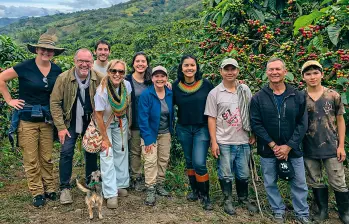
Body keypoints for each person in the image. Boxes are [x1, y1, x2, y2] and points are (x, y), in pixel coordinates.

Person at [0, 32, 64, 207]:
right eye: (43, 49)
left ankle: (50, 187)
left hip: (47, 120)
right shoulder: (24, 67)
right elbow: (1, 78)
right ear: (37, 49)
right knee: (31, 158)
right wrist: (9, 100)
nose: (46, 52)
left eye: (50, 50)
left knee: (47, 157)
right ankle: (37, 192)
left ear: (53, 53)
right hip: (27, 120)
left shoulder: (57, 70)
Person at [250, 58, 311, 224]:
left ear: (285, 72)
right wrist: (273, 145)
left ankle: (302, 213)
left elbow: (302, 123)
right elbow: (256, 123)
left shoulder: (297, 96)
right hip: (268, 149)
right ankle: (278, 210)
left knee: (299, 182)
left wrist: (289, 146)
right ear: (266, 73)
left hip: (293, 148)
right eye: (271, 70)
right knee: (270, 182)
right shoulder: (258, 98)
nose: (274, 72)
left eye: (278, 69)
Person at [204, 58, 257, 215]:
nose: (230, 72)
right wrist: (214, 142)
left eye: (232, 69)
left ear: (237, 71)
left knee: (243, 173)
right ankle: (227, 200)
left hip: (243, 139)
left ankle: (243, 198)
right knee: (225, 172)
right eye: (226, 69)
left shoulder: (245, 90)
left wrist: (252, 132)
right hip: (224, 140)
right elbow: (211, 118)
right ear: (221, 71)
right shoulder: (215, 93)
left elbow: (250, 112)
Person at [50, 48, 102, 205]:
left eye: (87, 61)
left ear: (92, 63)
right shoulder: (64, 78)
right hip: (69, 121)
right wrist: (60, 126)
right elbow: (55, 102)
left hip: (90, 121)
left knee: (91, 152)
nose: (84, 64)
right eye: (81, 61)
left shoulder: (99, 78)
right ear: (75, 61)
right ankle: (65, 188)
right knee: (66, 152)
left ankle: (91, 185)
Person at [301, 60, 349, 224]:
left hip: (331, 145)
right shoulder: (301, 97)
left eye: (315, 73)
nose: (312, 77)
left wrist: (341, 146)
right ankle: (322, 210)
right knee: (315, 179)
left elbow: (341, 120)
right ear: (303, 77)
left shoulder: (333, 95)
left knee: (338, 180)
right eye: (308, 74)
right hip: (309, 146)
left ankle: (344, 212)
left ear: (322, 74)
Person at [172, 55, 213, 210]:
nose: (189, 68)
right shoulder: (175, 86)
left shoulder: (206, 84)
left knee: (199, 163)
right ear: (181, 68)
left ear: (197, 67)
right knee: (189, 161)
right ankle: (195, 191)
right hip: (183, 128)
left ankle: (205, 195)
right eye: (186, 65)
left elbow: (219, 97)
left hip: (201, 128)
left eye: (192, 65)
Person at [94, 59, 132, 208]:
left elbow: (125, 105)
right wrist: (104, 138)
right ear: (108, 72)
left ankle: (120, 184)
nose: (117, 74)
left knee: (121, 152)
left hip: (120, 121)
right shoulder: (102, 90)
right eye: (114, 71)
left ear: (124, 74)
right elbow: (98, 115)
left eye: (121, 71)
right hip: (105, 124)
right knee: (107, 154)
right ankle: (110, 193)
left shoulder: (126, 85)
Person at [138, 66, 174, 206]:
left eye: (162, 76)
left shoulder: (170, 93)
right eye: (156, 76)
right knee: (150, 160)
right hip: (150, 133)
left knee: (163, 159)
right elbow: (143, 118)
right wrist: (147, 139)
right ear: (152, 78)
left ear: (166, 78)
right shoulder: (146, 95)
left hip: (165, 133)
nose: (160, 79)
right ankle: (151, 188)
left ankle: (160, 184)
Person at [125, 52, 152, 192]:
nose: (140, 64)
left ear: (147, 64)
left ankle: (151, 179)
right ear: (133, 64)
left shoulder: (151, 80)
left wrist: (168, 83)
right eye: (137, 61)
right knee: (135, 151)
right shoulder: (127, 80)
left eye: (143, 61)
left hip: (149, 123)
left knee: (149, 151)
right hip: (134, 121)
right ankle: (136, 177)